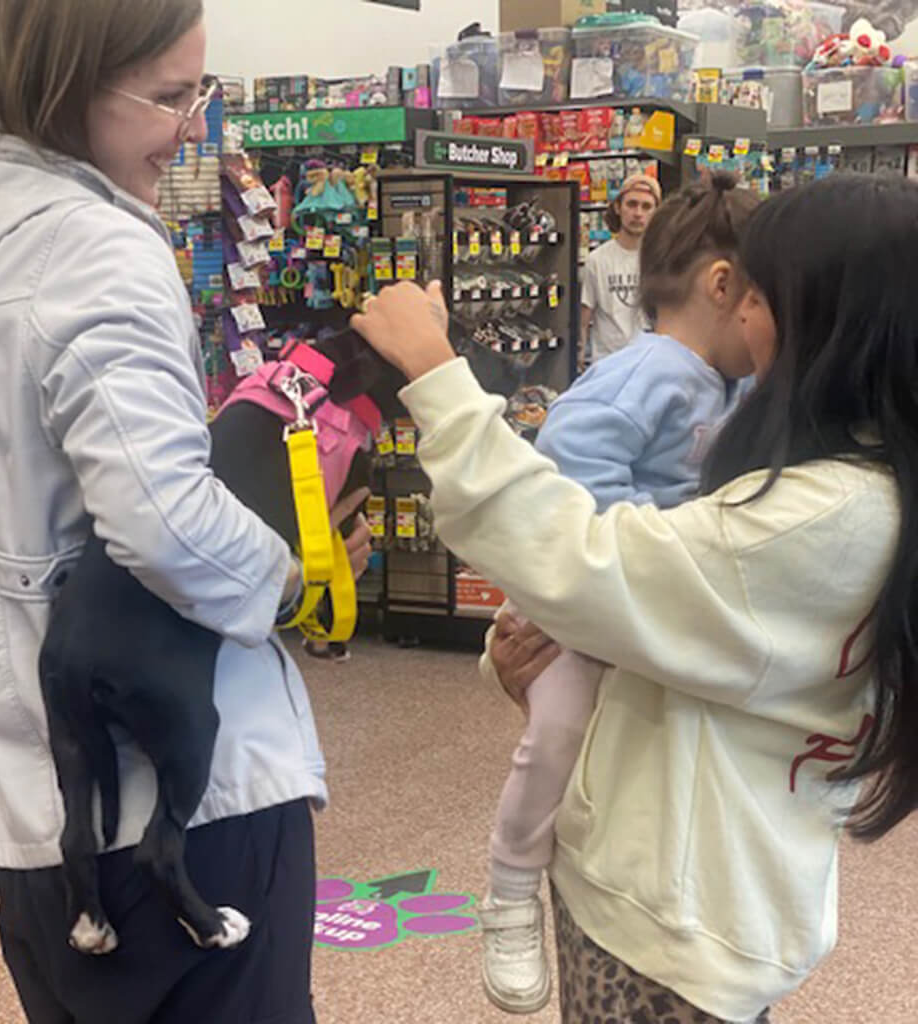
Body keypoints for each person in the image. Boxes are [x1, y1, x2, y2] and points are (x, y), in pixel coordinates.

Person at [0, 2, 370, 1022]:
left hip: (38, 797)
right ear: (70, 80)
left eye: (196, 93)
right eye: (165, 96)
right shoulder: (97, 250)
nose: (189, 126)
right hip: (181, 807)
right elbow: (162, 521)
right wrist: (293, 577)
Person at [353, 174, 918, 1023]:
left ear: (834, 314)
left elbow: (585, 559)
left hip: (672, 927)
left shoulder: (825, 516)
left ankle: (504, 886)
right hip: (682, 887)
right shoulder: (846, 476)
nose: (747, 318)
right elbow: (668, 612)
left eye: (765, 295)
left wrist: (438, 375)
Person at [478, 173, 759, 1015]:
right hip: (575, 606)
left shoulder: (732, 381)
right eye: (768, 296)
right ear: (722, 287)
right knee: (556, 734)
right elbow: (567, 453)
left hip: (643, 613)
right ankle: (508, 889)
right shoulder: (649, 371)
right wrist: (654, 533)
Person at [580, 173, 660, 366]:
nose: (638, 213)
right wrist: (580, 354)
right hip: (608, 365)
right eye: (631, 204)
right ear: (618, 207)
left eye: (646, 206)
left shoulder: (661, 260)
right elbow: (584, 317)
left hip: (649, 364)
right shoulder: (597, 260)